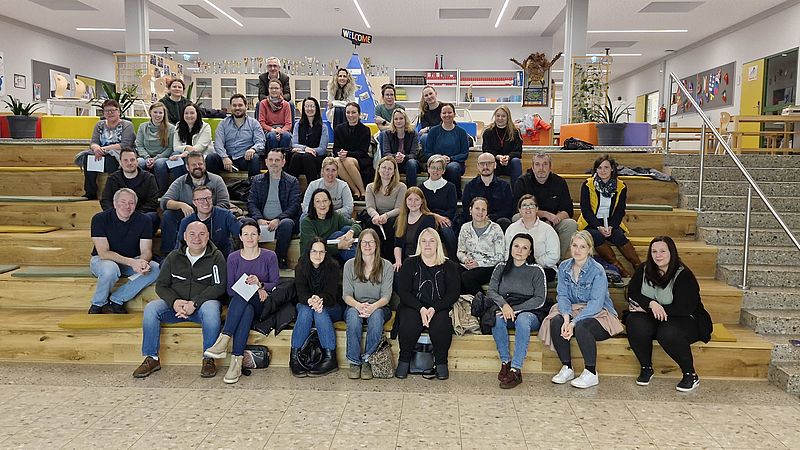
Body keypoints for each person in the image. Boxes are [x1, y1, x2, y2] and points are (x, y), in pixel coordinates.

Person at [133, 221, 227, 379]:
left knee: (212, 308)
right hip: (176, 308)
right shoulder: (173, 257)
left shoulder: (216, 257)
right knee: (151, 308)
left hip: (201, 308)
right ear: (185, 236)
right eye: (192, 234)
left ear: (208, 236)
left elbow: (219, 286)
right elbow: (161, 286)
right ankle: (152, 358)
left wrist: (194, 303)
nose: (197, 238)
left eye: (201, 234)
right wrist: (174, 302)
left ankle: (209, 358)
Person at [624, 236, 712, 392]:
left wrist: (648, 309)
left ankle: (690, 374)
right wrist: (651, 304)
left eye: (663, 251)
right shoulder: (643, 269)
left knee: (667, 332)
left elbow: (685, 308)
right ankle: (646, 368)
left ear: (671, 252)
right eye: (654, 251)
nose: (658, 255)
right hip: (656, 317)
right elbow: (632, 293)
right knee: (635, 322)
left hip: (685, 319)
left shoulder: (683, 275)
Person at [542, 231, 623, 389]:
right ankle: (567, 367)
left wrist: (573, 323)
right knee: (556, 321)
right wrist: (566, 317)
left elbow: (596, 304)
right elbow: (563, 296)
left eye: (582, 247)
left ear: (589, 249)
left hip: (599, 313)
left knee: (582, 326)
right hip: (573, 309)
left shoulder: (597, 270)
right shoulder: (564, 267)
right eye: (574, 245)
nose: (577, 250)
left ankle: (591, 372)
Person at [203, 219, 281, 384]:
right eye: (246, 234)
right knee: (245, 308)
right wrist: (252, 288)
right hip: (242, 306)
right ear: (240, 237)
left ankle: (224, 339)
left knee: (244, 301)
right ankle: (236, 363)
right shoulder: (233, 258)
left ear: (259, 236)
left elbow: (275, 284)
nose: (249, 238)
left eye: (253, 234)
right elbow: (230, 290)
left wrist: (260, 285)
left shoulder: (270, 256)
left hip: (262, 304)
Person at [395, 227, 460, 380]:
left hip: (439, 306)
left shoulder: (449, 266)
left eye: (431, 241)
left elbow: (453, 293)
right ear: (419, 244)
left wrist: (434, 309)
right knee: (409, 322)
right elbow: (403, 291)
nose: (427, 245)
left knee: (442, 323)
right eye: (424, 241)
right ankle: (404, 360)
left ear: (437, 244)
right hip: (413, 305)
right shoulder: (410, 263)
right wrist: (421, 309)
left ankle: (441, 363)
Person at [488, 233, 548, 389]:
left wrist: (514, 310)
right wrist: (504, 305)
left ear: (530, 252)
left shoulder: (536, 270)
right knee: (497, 318)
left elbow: (539, 299)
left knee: (523, 319)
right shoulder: (501, 267)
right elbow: (492, 291)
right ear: (511, 248)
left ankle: (516, 370)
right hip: (506, 307)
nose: (519, 250)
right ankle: (505, 362)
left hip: (530, 311)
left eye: (524, 248)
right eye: (516, 246)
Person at [89, 188, 159, 314]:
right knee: (110, 269)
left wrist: (142, 262)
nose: (127, 206)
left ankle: (117, 299)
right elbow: (104, 253)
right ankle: (98, 303)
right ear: (115, 203)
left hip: (131, 261)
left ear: (135, 205)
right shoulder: (99, 219)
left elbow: (146, 251)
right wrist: (132, 262)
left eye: (131, 203)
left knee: (155, 268)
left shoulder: (144, 220)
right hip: (103, 261)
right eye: (123, 202)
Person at [578, 154, 641, 277]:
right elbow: (585, 210)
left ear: (612, 169)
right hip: (591, 223)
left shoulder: (621, 186)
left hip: (611, 222)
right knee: (596, 236)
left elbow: (620, 210)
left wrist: (611, 226)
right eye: (600, 168)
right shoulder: (588, 185)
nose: (603, 171)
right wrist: (598, 227)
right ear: (596, 169)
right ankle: (620, 269)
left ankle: (639, 268)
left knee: (619, 236)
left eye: (606, 167)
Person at [343, 229, 394, 380]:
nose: (367, 245)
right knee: (353, 316)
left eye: (371, 242)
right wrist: (359, 306)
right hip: (355, 305)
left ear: (376, 244)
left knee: (377, 316)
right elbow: (346, 295)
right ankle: (354, 362)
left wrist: (372, 307)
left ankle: (367, 360)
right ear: (359, 245)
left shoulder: (386, 265)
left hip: (380, 306)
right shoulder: (349, 265)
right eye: (364, 242)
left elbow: (386, 296)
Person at [289, 237, 344, 377]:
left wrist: (319, 300)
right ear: (308, 252)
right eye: (314, 251)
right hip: (306, 304)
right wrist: (311, 300)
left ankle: (330, 359)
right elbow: (301, 293)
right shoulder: (301, 267)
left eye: (321, 252)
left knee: (320, 311)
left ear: (326, 253)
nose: (317, 255)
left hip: (331, 306)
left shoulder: (333, 267)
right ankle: (295, 358)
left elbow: (331, 295)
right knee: (306, 310)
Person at [160, 151, 230, 255]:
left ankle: (216, 254)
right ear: (187, 167)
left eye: (200, 164)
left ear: (204, 165)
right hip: (188, 215)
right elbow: (164, 202)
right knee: (168, 215)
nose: (198, 167)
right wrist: (181, 205)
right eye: (193, 165)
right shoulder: (180, 182)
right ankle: (169, 254)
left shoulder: (217, 180)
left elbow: (224, 203)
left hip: (211, 217)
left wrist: (205, 212)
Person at [513, 152, 577, 260]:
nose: (541, 168)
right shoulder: (522, 182)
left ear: (550, 167)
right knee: (516, 218)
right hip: (530, 219)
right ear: (532, 167)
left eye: (545, 164)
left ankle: (557, 260)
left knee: (571, 224)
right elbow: (518, 209)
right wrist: (545, 215)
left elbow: (567, 210)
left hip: (553, 221)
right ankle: (523, 258)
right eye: (537, 164)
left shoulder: (559, 182)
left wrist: (553, 220)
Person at [247, 148, 301, 269]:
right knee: (245, 222)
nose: (273, 163)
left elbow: (294, 206)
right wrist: (259, 219)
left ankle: (278, 260)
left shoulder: (292, 181)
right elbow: (251, 203)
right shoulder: (257, 180)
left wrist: (278, 219)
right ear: (266, 162)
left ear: (283, 162)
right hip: (261, 221)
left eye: (277, 160)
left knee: (287, 223)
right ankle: (249, 258)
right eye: (270, 160)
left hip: (282, 223)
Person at [82, 99, 135, 200]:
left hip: (119, 153)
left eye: (113, 110)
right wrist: (96, 148)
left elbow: (125, 144)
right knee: (87, 158)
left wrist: (104, 149)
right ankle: (90, 192)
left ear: (119, 111)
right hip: (101, 153)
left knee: (111, 159)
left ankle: (113, 193)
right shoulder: (99, 125)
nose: (110, 113)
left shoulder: (127, 125)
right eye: (107, 111)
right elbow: (93, 142)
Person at [100, 147, 160, 232]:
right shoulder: (112, 179)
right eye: (125, 160)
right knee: (101, 218)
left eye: (132, 160)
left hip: (140, 215)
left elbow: (153, 201)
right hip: (118, 215)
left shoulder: (149, 178)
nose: (129, 163)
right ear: (120, 162)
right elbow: (106, 200)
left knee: (152, 217)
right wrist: (120, 214)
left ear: (137, 161)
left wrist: (134, 214)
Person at [207, 94, 266, 177]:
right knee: (211, 158)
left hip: (245, 158)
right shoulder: (223, 124)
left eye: (240, 105)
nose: (237, 108)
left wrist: (253, 149)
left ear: (246, 106)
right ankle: (216, 184)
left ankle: (252, 184)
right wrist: (224, 157)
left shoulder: (254, 123)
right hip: (227, 158)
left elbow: (261, 142)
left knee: (255, 158)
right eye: (234, 105)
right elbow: (218, 144)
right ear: (230, 107)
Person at [456, 197, 506, 295]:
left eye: (483, 209)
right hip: (468, 265)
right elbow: (460, 251)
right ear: (470, 210)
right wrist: (465, 260)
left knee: (466, 277)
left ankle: (483, 301)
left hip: (489, 267)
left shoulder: (495, 228)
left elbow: (500, 257)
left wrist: (478, 264)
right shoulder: (465, 227)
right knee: (452, 270)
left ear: (487, 212)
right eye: (477, 208)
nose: (480, 212)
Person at [504, 195, 560, 281]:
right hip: (517, 266)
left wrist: (533, 262)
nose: (528, 208)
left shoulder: (547, 229)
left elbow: (554, 255)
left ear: (537, 209)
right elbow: (506, 251)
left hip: (542, 268)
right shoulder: (512, 228)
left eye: (531, 205)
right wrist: (518, 263)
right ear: (519, 210)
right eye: (524, 206)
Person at [176, 186, 241, 256]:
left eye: (208, 198)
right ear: (194, 202)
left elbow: (243, 232)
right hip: (197, 258)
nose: (206, 202)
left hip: (223, 257)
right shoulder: (186, 222)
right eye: (201, 199)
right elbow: (179, 247)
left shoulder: (225, 215)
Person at [300, 188, 362, 263]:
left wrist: (350, 233)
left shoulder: (335, 216)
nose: (322, 205)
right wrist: (339, 246)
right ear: (313, 204)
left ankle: (359, 260)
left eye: (325, 201)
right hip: (315, 257)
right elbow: (313, 247)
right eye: (318, 201)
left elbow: (356, 225)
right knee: (338, 234)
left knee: (347, 229)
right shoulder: (307, 222)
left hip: (335, 254)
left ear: (329, 202)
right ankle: (361, 260)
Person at [422, 103, 469, 198]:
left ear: (454, 114)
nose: (447, 115)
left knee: (452, 168)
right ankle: (432, 196)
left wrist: (451, 159)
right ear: (440, 115)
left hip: (456, 163)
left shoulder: (461, 132)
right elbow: (427, 153)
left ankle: (455, 196)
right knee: (435, 168)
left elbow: (464, 154)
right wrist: (439, 158)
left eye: (449, 112)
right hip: (436, 162)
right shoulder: (433, 132)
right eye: (444, 113)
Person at [365, 156, 407, 260]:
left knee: (392, 223)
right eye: (384, 167)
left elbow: (399, 208)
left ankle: (390, 258)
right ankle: (373, 257)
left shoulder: (401, 187)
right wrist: (376, 216)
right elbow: (370, 207)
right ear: (378, 169)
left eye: (390, 169)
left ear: (394, 172)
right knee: (370, 222)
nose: (386, 171)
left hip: (392, 217)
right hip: (376, 216)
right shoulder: (370, 187)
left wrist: (386, 216)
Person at [459, 152, 514, 230]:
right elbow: (466, 208)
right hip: (475, 220)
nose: (485, 167)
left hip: (497, 222)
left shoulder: (504, 186)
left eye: (489, 163)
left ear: (495, 165)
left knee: (504, 221)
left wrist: (490, 218)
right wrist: (479, 217)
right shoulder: (470, 186)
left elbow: (508, 209)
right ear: (478, 166)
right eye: (482, 164)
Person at [419, 155, 458, 258]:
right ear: (428, 169)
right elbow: (421, 208)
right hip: (427, 219)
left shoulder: (450, 187)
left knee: (446, 230)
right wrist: (435, 217)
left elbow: (452, 209)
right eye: (433, 168)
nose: (435, 171)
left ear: (443, 171)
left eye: (439, 168)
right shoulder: (421, 188)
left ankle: (453, 260)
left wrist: (442, 219)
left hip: (446, 219)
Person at [333, 102, 372, 199]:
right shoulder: (339, 128)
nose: (350, 115)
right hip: (343, 158)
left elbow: (363, 151)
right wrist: (340, 153)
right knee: (336, 161)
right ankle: (355, 190)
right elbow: (336, 148)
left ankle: (363, 191)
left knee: (347, 161)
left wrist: (347, 154)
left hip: (360, 159)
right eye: (348, 112)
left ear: (359, 114)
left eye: (353, 112)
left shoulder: (365, 130)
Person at [393, 187, 437, 272]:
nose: (413, 203)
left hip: (423, 260)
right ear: (405, 201)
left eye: (416, 200)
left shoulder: (429, 219)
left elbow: (430, 244)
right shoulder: (400, 219)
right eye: (410, 199)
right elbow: (397, 245)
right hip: (405, 260)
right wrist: (398, 261)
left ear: (422, 201)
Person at [135, 102, 175, 193]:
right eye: (155, 112)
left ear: (164, 114)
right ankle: (140, 192)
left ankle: (161, 192)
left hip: (162, 157)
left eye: (160, 113)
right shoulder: (143, 127)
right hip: (145, 156)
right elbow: (139, 145)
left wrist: (156, 158)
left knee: (159, 164)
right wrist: (147, 158)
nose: (158, 115)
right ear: (150, 112)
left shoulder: (171, 128)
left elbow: (170, 148)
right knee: (139, 163)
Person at [288, 96, 329, 183]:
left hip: (316, 158)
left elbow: (322, 149)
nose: (309, 109)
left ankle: (312, 187)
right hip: (300, 157)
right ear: (303, 108)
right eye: (307, 106)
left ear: (316, 108)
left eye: (312, 106)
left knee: (307, 157)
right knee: (296, 156)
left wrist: (309, 151)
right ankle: (290, 187)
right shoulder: (298, 125)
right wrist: (305, 149)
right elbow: (294, 144)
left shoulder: (323, 126)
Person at [481, 105, 523, 186]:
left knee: (516, 161)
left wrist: (508, 157)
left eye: (503, 116)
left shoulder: (515, 132)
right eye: (498, 116)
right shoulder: (488, 132)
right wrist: (498, 157)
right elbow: (486, 150)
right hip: (494, 163)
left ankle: (516, 191)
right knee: (489, 161)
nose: (500, 118)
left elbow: (518, 151)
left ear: (508, 117)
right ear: (495, 116)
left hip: (510, 163)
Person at [380, 108, 420, 187]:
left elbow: (414, 154)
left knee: (411, 163)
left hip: (408, 163)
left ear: (405, 120)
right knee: (387, 163)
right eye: (396, 119)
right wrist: (395, 157)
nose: (398, 121)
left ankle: (411, 190)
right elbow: (386, 153)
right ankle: (388, 189)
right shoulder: (387, 134)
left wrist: (404, 157)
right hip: (393, 162)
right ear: (393, 121)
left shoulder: (413, 133)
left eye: (401, 118)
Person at [258, 79, 293, 150]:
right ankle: (271, 156)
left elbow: (288, 124)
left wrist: (280, 131)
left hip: (283, 129)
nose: (274, 90)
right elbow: (261, 123)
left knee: (286, 136)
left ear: (281, 89)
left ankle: (284, 156)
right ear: (268, 89)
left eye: (276, 88)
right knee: (272, 136)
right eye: (271, 88)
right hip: (269, 130)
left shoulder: (286, 104)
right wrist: (273, 130)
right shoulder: (263, 103)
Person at [416, 85, 442, 152]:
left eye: (430, 93)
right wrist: (428, 129)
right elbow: (423, 130)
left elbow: (445, 125)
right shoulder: (423, 113)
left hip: (444, 134)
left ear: (435, 94)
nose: (429, 97)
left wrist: (428, 128)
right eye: (426, 95)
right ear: (424, 99)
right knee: (424, 137)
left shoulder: (444, 108)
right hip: (431, 137)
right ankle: (430, 156)